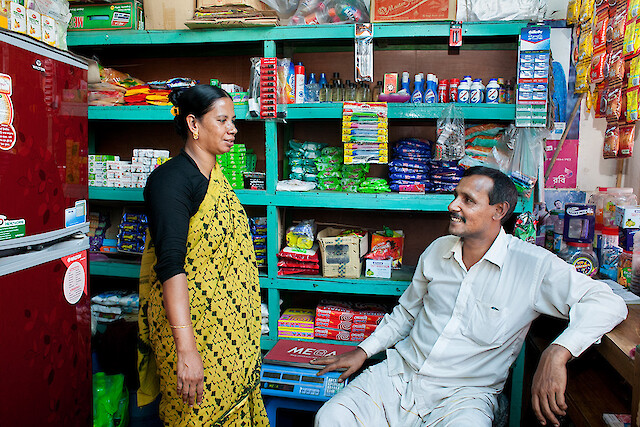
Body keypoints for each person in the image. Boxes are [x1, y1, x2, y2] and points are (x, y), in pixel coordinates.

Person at [311, 166, 627, 427]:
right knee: (331, 418)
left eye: (467, 200)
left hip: (464, 397)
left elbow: (607, 301)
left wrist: (557, 352)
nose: (453, 206)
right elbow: (406, 314)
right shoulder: (437, 250)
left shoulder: (532, 266)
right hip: (398, 376)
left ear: (498, 211)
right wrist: (364, 351)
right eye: (455, 196)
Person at [137, 84, 269, 426]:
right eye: (223, 120)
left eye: (234, 121)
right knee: (195, 416)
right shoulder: (171, 181)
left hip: (232, 334)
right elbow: (171, 266)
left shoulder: (216, 178)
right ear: (194, 124)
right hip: (194, 335)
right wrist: (186, 350)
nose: (233, 129)